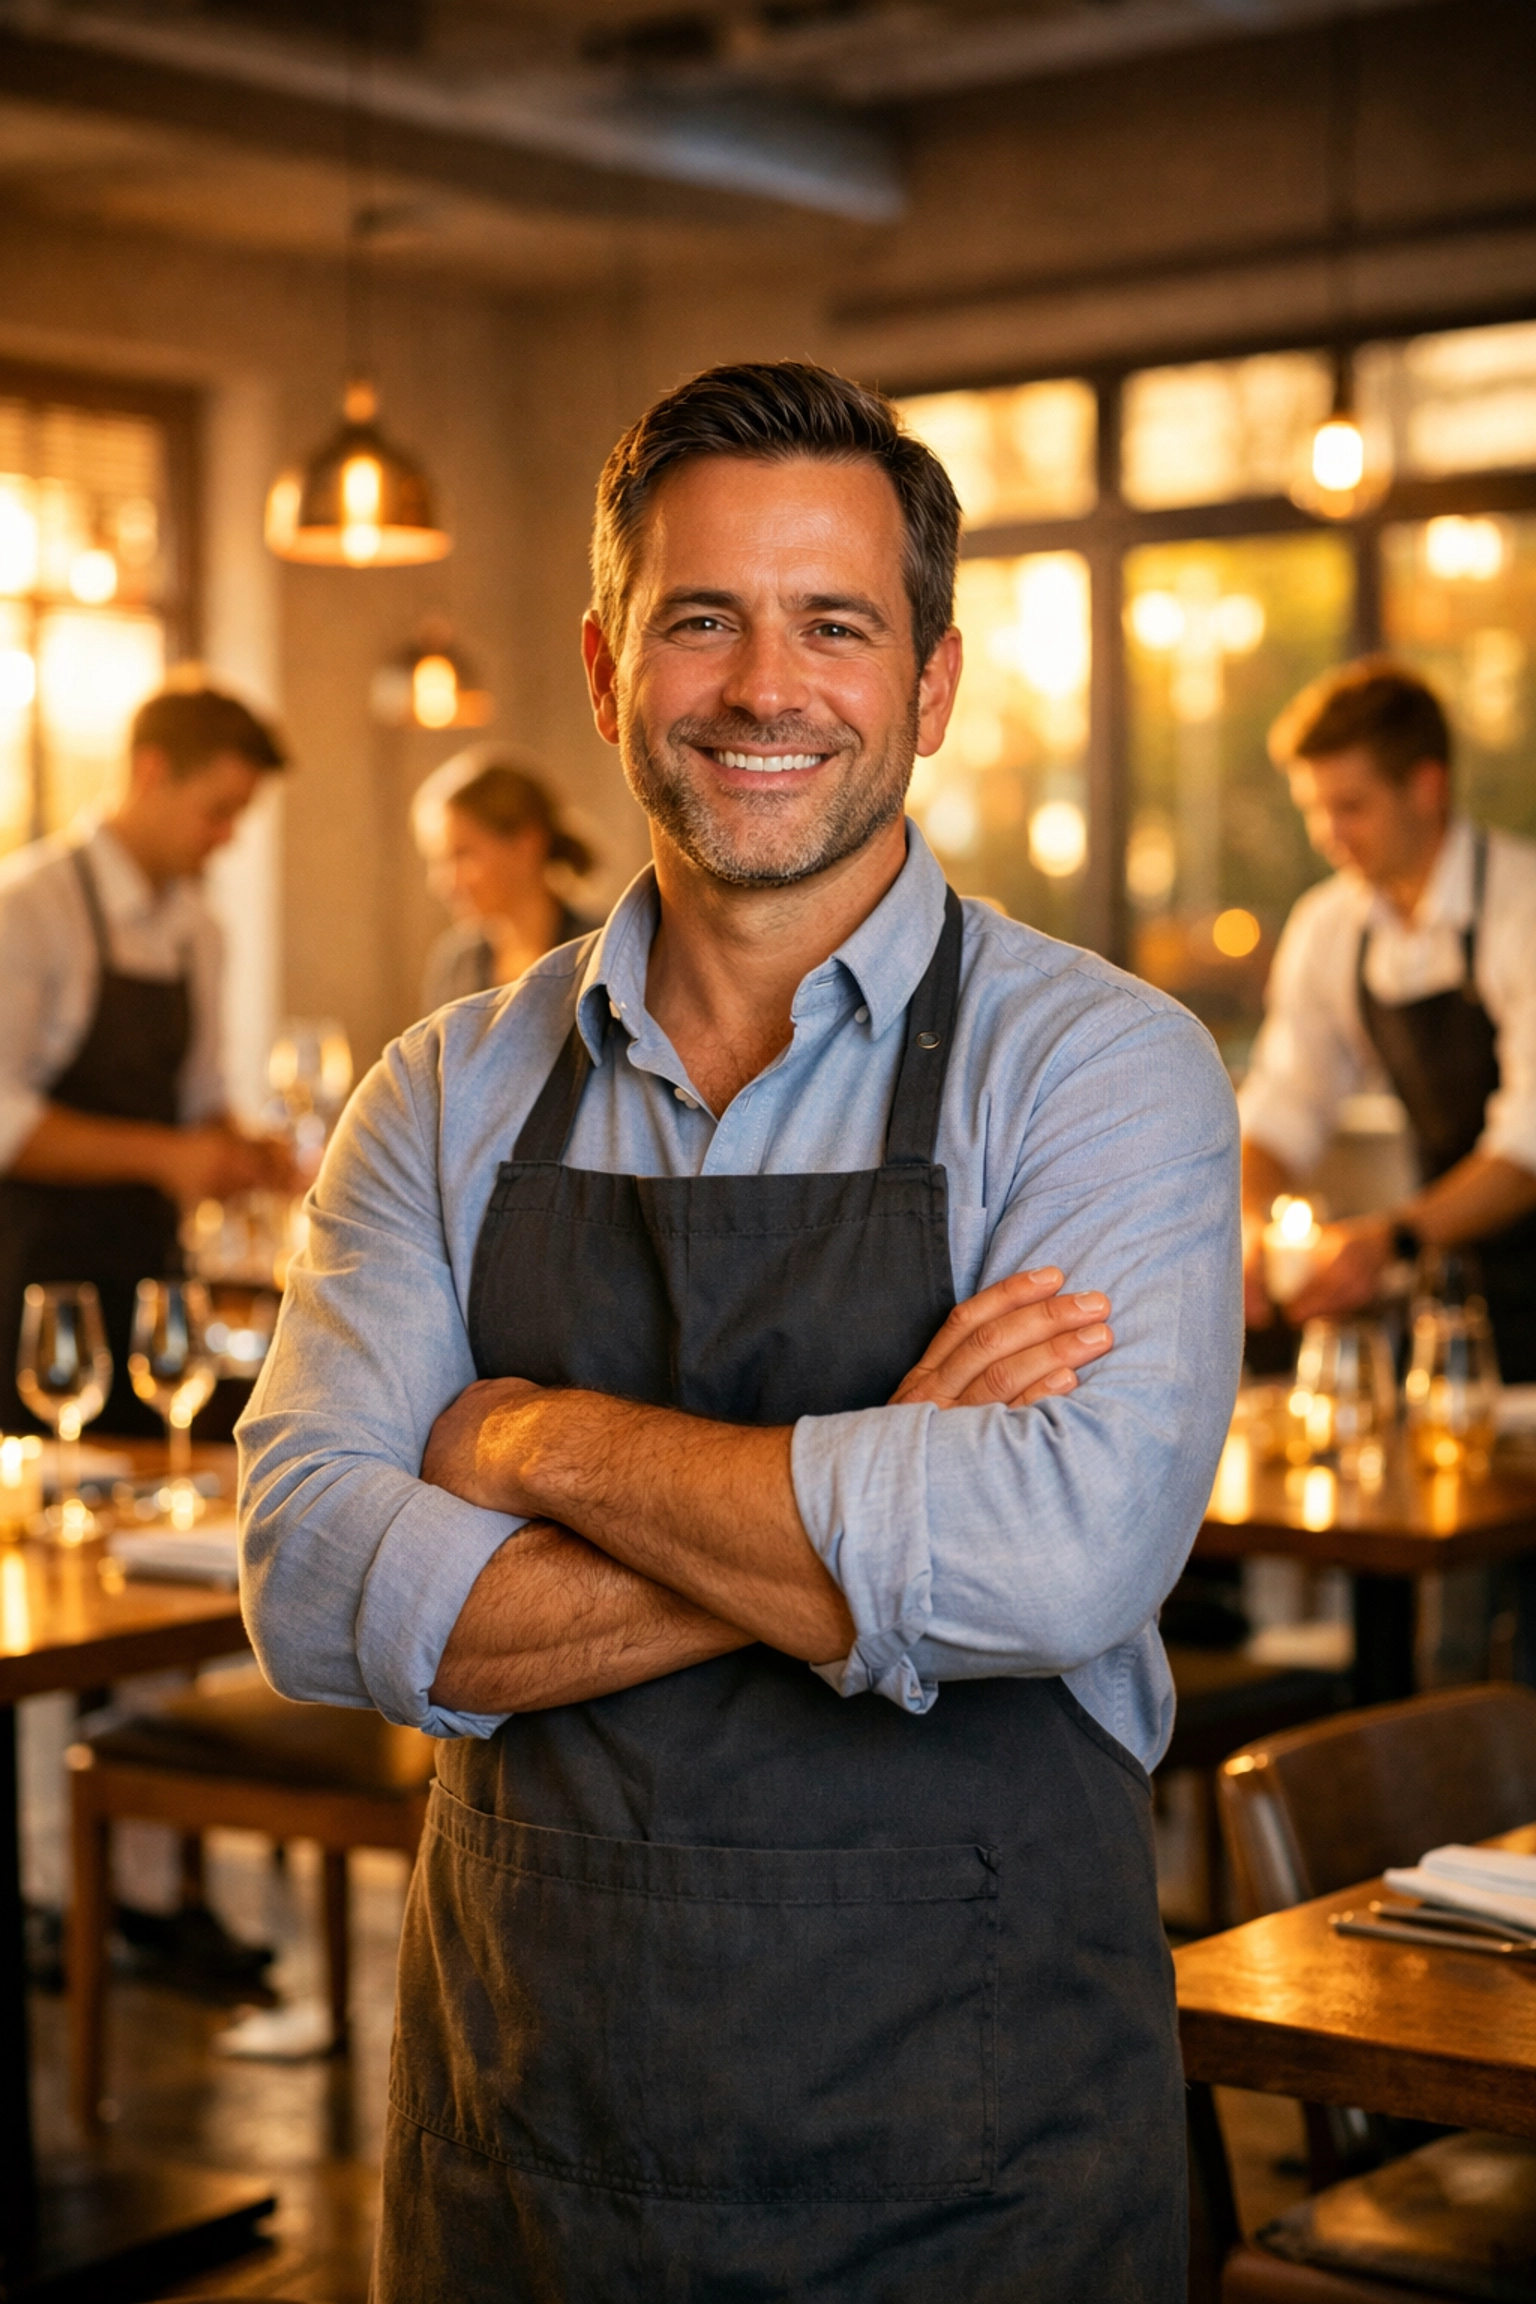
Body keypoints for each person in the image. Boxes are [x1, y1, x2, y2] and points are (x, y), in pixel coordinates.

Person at [241, 361, 1240, 2300]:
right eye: (701, 618)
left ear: (931, 687)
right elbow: (310, 1580)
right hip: (531, 2151)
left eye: (833, 625)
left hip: (980, 2171)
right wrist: (889, 1476)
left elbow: (1057, 1559)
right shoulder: (440, 1091)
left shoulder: (1099, 1065)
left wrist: (527, 1441)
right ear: (607, 671)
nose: (764, 686)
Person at [0, 682, 293, 1435]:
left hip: (150, 1283)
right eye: (218, 810)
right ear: (151, 771)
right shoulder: (27, 908)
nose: (228, 836)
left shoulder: (201, 932)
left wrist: (247, 1153)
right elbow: (4, 1119)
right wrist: (168, 1158)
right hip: (26, 1284)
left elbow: (198, 1099)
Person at [1240, 658, 1536, 1380]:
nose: (1327, 833)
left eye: (1350, 806)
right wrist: (1249, 1228)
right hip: (1459, 1296)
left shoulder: (1523, 906)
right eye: (1314, 808)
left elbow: (1528, 1147)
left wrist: (1389, 1242)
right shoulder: (1329, 928)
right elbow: (1283, 1106)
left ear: (1427, 788)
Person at [414, 746, 595, 1013]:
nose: (445, 882)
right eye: (439, 861)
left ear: (527, 844)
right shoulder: (455, 966)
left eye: (462, 855)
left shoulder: (600, 952)